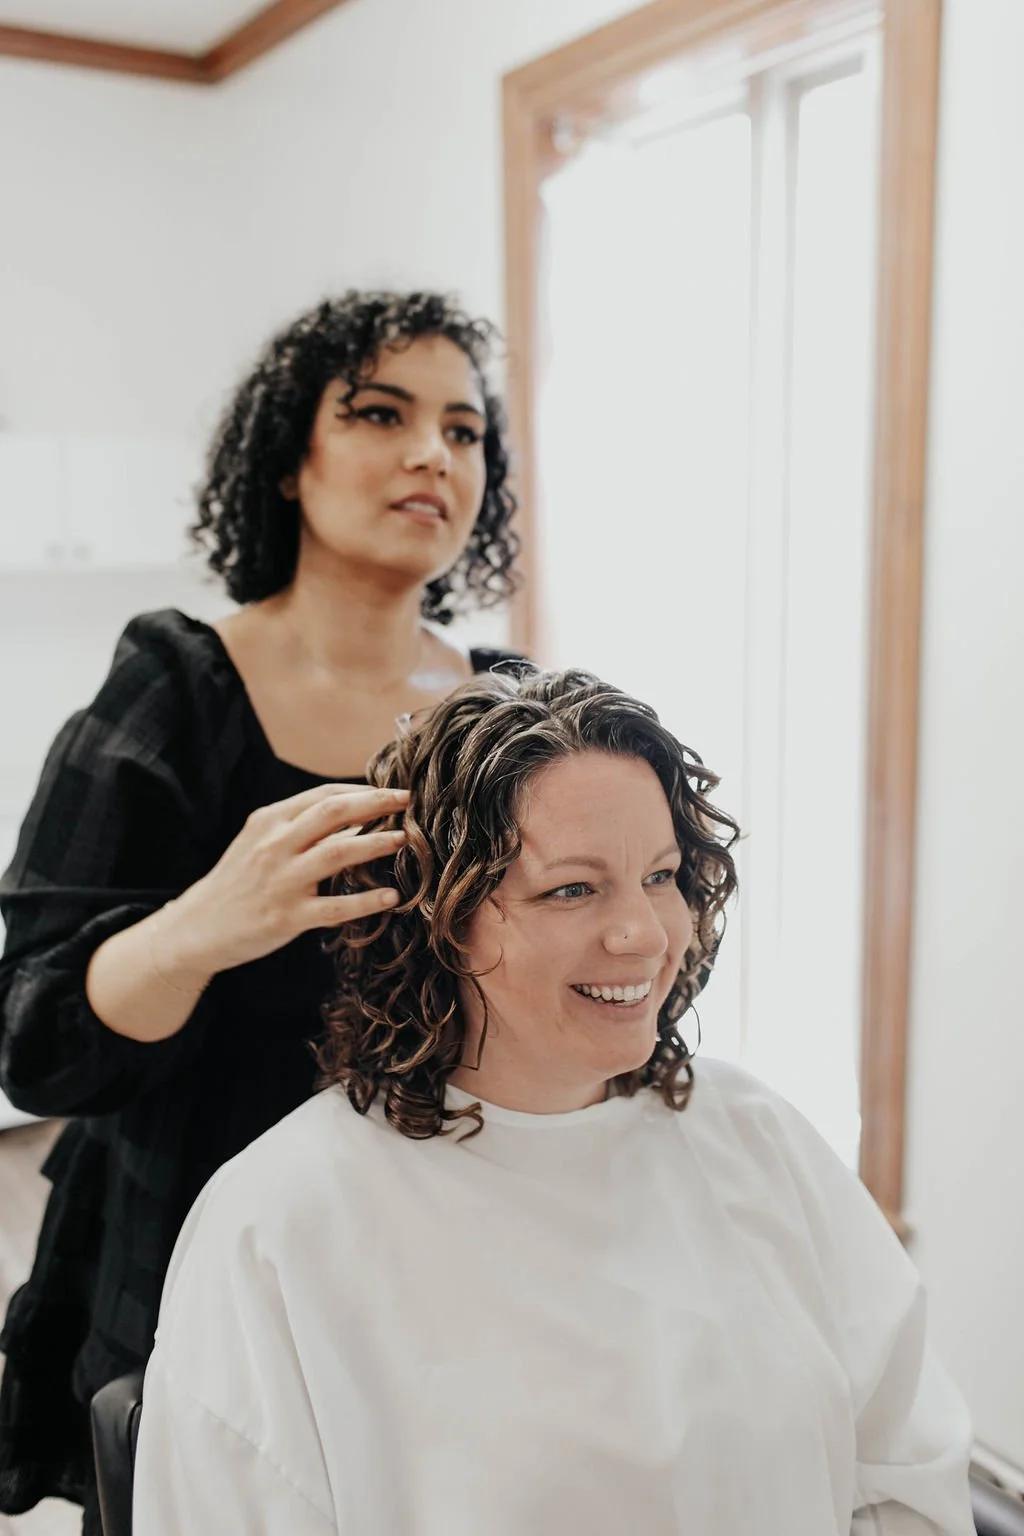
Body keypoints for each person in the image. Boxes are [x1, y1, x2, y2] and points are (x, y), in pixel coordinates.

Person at [133, 667, 975, 1536]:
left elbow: (904, 1468)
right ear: (441, 918)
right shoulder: (282, 1223)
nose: (643, 935)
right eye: (571, 888)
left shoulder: (755, 1137)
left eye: (662, 875)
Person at [0, 290, 524, 1532]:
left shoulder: (508, 707)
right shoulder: (178, 688)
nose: (428, 456)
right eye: (381, 415)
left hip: (437, 1244)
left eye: (462, 431)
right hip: (190, 1247)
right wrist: (209, 921)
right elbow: (33, 1035)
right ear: (290, 457)